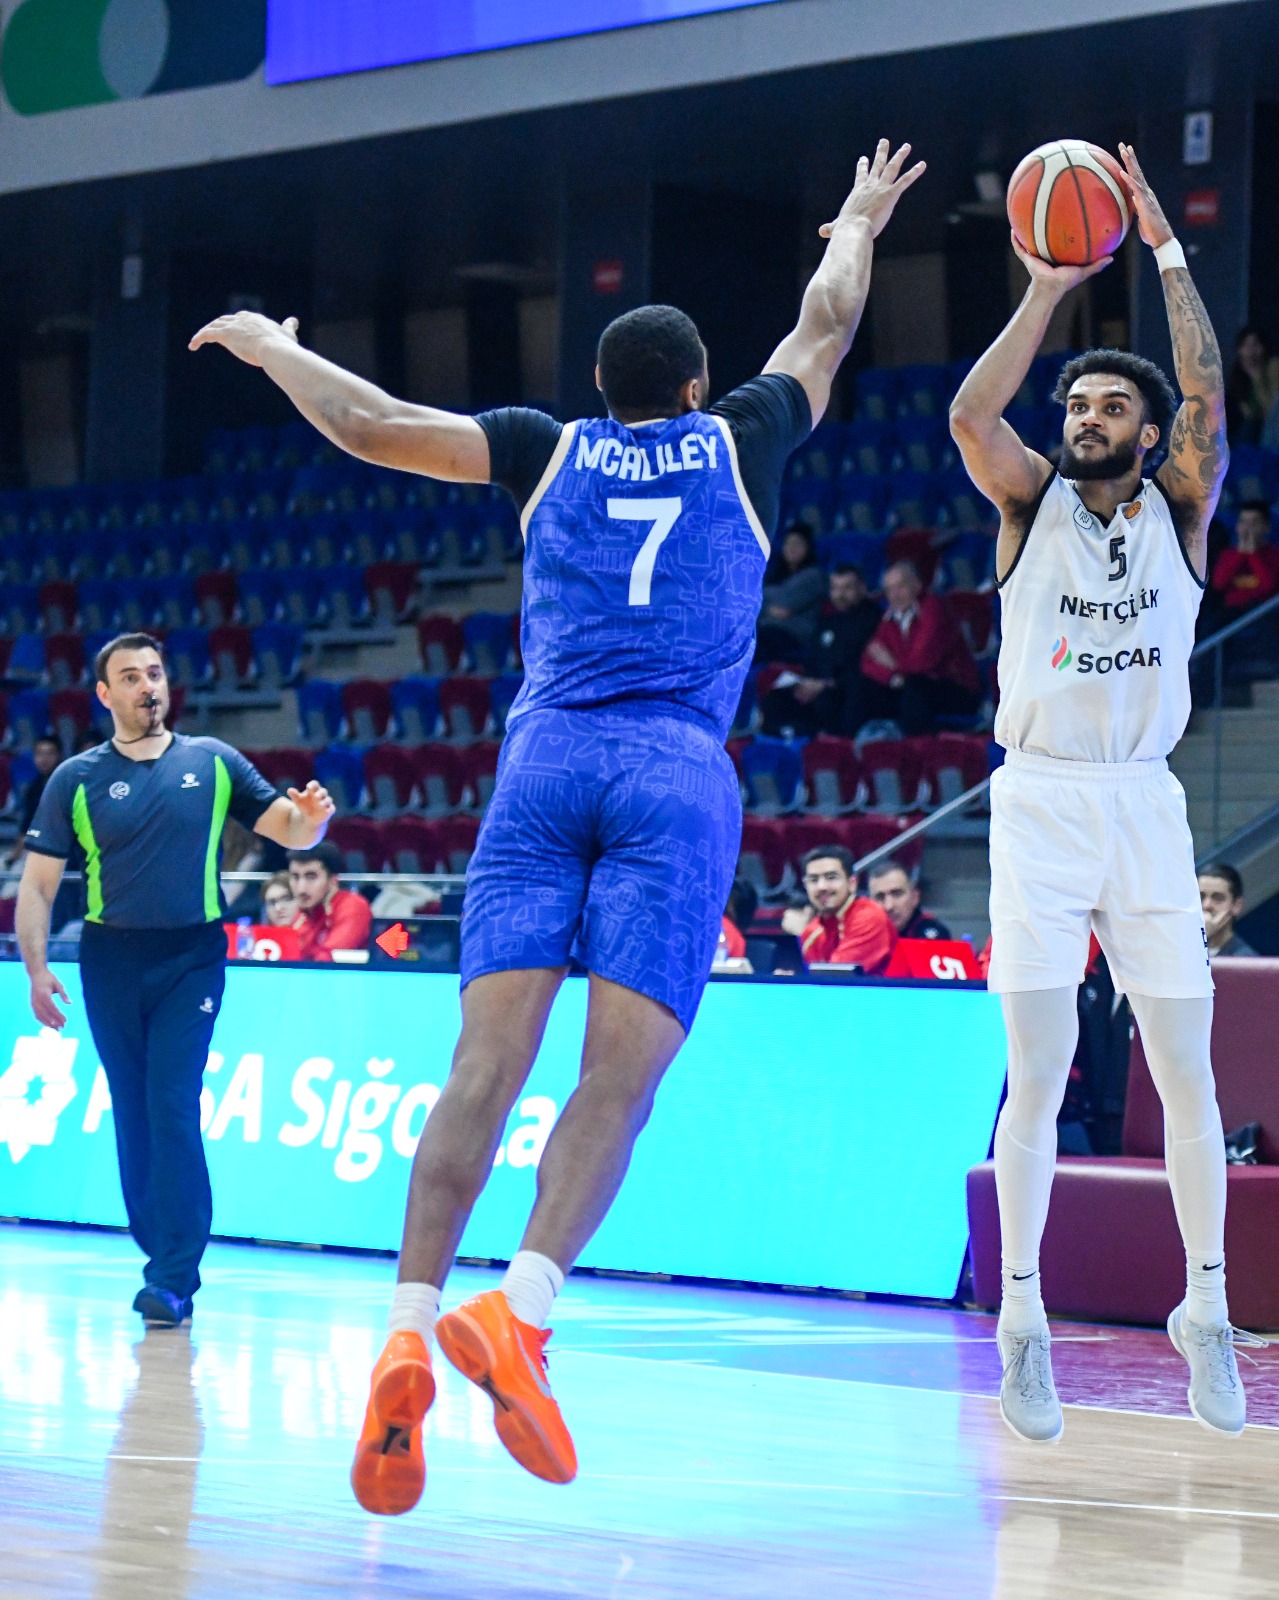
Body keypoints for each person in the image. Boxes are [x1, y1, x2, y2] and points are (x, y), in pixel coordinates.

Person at [192, 137, 925, 1512]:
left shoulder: (544, 450)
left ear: (600, 391)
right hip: (671, 769)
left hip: (541, 764)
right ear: (694, 389)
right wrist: (853, 221)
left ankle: (405, 1326)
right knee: (617, 1077)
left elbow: (370, 425)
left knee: (481, 1065)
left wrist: (269, 346)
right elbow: (825, 323)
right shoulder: (746, 434)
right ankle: (520, 1313)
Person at [949, 143, 1260, 1443]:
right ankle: (1021, 1320)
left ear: (1143, 433)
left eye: (1104, 407)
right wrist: (1043, 289)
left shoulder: (1178, 509)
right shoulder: (1029, 506)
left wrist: (1166, 248)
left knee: (1183, 1071)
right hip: (1038, 802)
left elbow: (1207, 398)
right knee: (1038, 1069)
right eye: (1073, 404)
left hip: (1141, 806)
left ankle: (1206, 1307)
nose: (1082, 417)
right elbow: (972, 421)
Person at [16, 633, 334, 1327]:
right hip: (110, 960)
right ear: (105, 695)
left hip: (192, 957)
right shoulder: (75, 779)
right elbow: (37, 888)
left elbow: (289, 828)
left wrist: (310, 822)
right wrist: (36, 970)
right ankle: (158, 1249)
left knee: (172, 1102)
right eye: (130, 677)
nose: (146, 686)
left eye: (154, 673)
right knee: (133, 1111)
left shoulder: (212, 761)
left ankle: (173, 1276)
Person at [847, 560, 982, 734]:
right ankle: (857, 744)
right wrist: (893, 678)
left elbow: (921, 663)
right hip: (909, 683)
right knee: (862, 686)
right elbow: (868, 661)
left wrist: (892, 665)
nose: (894, 595)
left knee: (915, 688)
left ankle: (914, 746)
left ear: (917, 586)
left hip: (956, 687)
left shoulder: (934, 608)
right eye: (889, 590)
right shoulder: (890, 618)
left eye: (900, 587)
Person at [759, 564, 882, 737]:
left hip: (846, 689)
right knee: (774, 699)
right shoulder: (828, 621)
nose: (840, 595)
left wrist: (826, 684)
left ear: (862, 588)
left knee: (827, 701)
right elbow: (813, 657)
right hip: (816, 685)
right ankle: (786, 742)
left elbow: (861, 666)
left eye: (847, 588)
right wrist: (806, 682)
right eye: (835, 588)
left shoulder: (873, 621)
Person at [780, 845, 896, 972]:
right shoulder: (812, 931)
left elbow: (837, 977)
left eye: (831, 877)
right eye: (813, 880)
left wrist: (799, 934)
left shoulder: (870, 917)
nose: (821, 887)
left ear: (852, 883)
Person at [288, 840, 373, 959]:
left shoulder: (353, 906)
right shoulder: (305, 912)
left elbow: (329, 959)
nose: (301, 889)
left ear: (333, 880)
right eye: (295, 877)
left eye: (311, 877)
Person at [756, 522, 827, 660]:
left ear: (808, 547)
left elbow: (784, 607)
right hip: (767, 630)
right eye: (787, 544)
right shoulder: (775, 576)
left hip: (793, 636)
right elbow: (753, 602)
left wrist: (763, 602)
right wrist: (768, 607)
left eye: (797, 544)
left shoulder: (813, 576)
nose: (791, 548)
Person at [1210, 501, 1279, 614]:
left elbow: (1269, 586)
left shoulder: (1274, 554)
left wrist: (1253, 554)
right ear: (1237, 527)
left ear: (1266, 527)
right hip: (1230, 612)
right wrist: (1240, 554)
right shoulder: (1227, 555)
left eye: (1254, 523)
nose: (1248, 528)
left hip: (1264, 612)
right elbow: (1219, 584)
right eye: (1243, 522)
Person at [4, 734, 62, 869]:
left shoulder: (67, 784)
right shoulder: (34, 788)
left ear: (59, 755)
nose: (44, 759)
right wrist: (13, 858)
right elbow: (27, 827)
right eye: (40, 754)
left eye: (49, 754)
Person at [866, 857, 951, 940]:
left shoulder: (935, 934)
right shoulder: (864, 933)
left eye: (897, 894)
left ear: (915, 897)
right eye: (880, 897)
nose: (889, 906)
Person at [1225, 326, 1279, 446]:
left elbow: (1273, 412)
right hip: (1253, 428)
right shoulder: (1238, 374)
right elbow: (1248, 414)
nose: (1250, 351)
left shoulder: (1274, 367)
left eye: (1255, 345)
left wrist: (1257, 377)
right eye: (1245, 345)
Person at [1198, 863, 1258, 958]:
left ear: (1236, 906)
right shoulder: (1179, 945)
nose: (1206, 905)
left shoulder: (1245, 960)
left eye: (1217, 898)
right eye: (1201, 897)